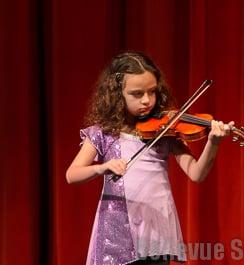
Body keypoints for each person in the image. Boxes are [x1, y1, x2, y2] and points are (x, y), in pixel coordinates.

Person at [66, 51, 233, 265]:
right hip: (117, 228)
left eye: (152, 92)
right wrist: (102, 168)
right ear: (118, 94)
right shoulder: (104, 132)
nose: (147, 100)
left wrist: (213, 142)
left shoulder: (165, 131)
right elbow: (72, 174)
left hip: (156, 228)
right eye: (137, 94)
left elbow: (197, 173)